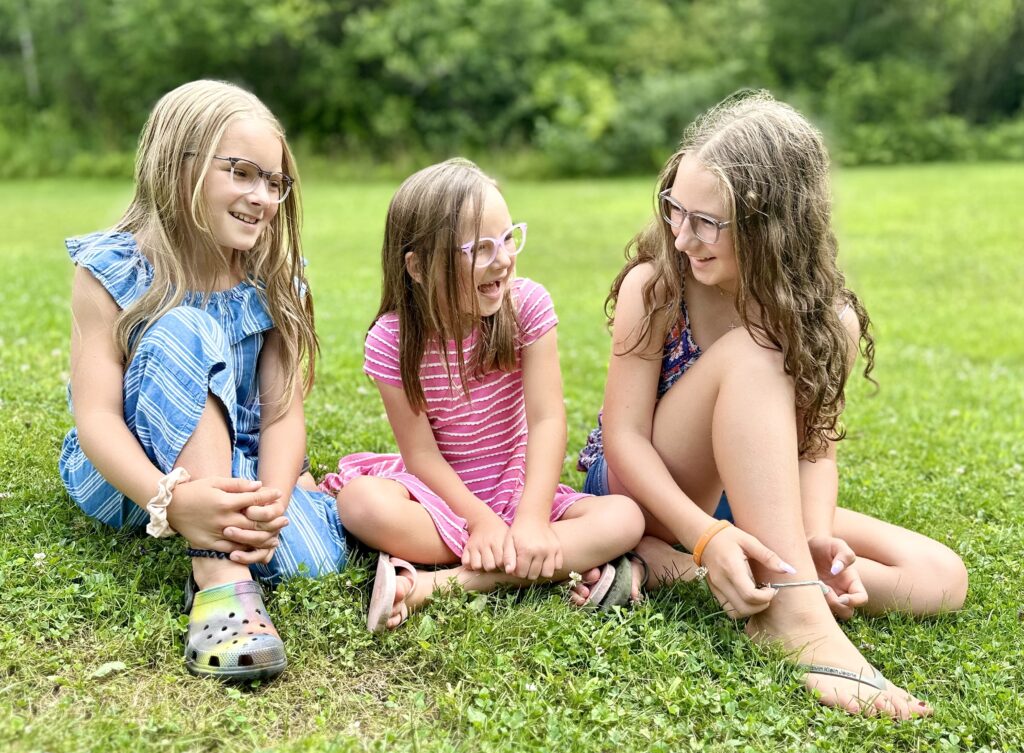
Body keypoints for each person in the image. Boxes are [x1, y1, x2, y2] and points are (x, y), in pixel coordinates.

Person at [575, 92, 968, 718]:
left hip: (754, 496)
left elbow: (814, 452)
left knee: (940, 577)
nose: (682, 235)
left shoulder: (823, 318)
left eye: (707, 222)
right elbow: (624, 439)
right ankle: (790, 619)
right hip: (647, 490)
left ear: (769, 225)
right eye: (675, 209)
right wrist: (704, 535)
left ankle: (673, 570)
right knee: (754, 356)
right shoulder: (654, 287)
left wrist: (813, 539)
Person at [60, 80, 347, 681]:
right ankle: (218, 575)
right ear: (177, 163)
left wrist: (270, 506)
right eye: (242, 173)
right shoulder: (113, 268)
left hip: (235, 456)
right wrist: (172, 499)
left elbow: (281, 414)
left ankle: (229, 525)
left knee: (315, 559)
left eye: (275, 182)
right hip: (129, 469)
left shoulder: (275, 277)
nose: (262, 196)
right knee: (187, 328)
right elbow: (98, 419)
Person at [319, 158, 644, 631]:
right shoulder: (391, 340)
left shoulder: (527, 305)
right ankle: (535, 562)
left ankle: (446, 583)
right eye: (481, 248)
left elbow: (548, 420)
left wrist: (531, 518)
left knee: (624, 518)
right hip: (440, 497)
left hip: (518, 485)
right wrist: (478, 521)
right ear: (418, 266)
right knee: (360, 504)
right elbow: (421, 456)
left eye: (509, 237)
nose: (505, 259)